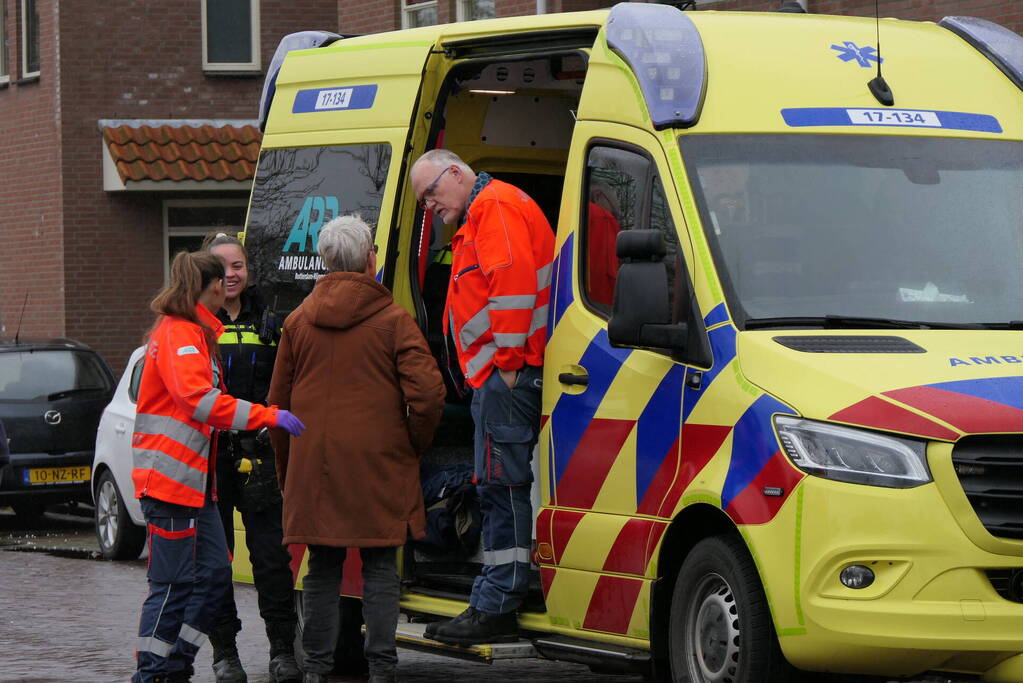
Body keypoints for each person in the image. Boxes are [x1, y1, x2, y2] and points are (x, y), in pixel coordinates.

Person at [267, 214, 445, 683]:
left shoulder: (297, 322)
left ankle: (317, 670)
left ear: (323, 261)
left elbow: (277, 407)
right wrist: (411, 444)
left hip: (314, 467)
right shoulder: (393, 321)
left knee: (322, 567)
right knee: (381, 565)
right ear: (371, 259)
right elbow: (427, 395)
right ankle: (382, 670)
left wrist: (289, 475)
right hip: (378, 464)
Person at [132, 251, 306, 683]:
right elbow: (201, 402)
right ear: (207, 288)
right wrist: (268, 414)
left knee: (212, 577)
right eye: (220, 281)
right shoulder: (181, 336)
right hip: (172, 484)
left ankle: (176, 663)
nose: (227, 285)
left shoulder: (193, 333)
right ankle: (153, 673)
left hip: (195, 485)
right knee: (172, 584)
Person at [409, 149, 554, 645]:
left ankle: (496, 602)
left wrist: (508, 368)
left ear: (455, 173)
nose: (429, 207)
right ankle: (496, 595)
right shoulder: (486, 211)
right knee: (498, 484)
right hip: (496, 377)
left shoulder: (493, 208)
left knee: (502, 487)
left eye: (430, 193)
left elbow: (511, 293)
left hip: (506, 377)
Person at [202, 232, 301, 683]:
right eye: (221, 267)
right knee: (216, 559)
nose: (231, 274)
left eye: (238, 265)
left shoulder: (272, 323)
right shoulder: (197, 326)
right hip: (213, 459)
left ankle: (282, 652)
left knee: (271, 560)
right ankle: (225, 653)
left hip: (261, 458)